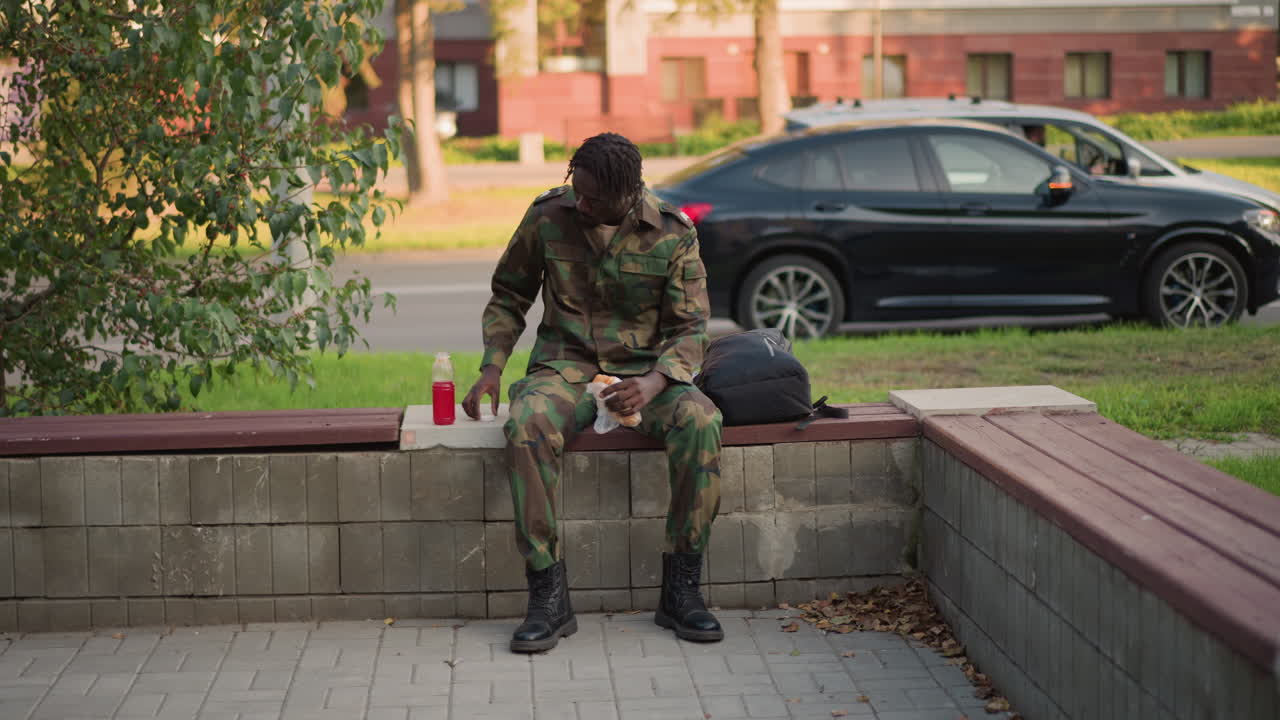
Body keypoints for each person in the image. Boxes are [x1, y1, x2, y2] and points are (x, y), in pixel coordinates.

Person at [461, 132, 725, 653]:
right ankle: (547, 596)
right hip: (566, 369)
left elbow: (692, 327)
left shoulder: (672, 232)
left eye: (594, 198)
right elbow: (509, 294)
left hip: (645, 378)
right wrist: (492, 367)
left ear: (628, 192)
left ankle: (682, 591)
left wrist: (654, 383)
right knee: (527, 423)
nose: (581, 204)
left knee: (701, 421)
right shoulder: (548, 216)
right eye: (576, 190)